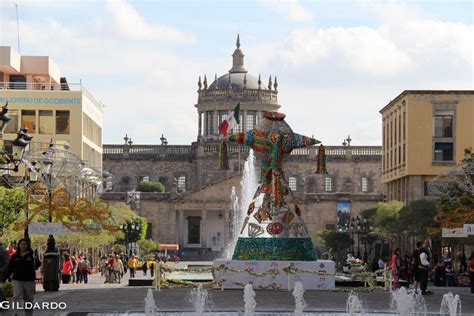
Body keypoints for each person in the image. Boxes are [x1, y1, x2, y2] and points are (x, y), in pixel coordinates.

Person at [7, 238, 41, 315]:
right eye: (21, 244)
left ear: (27, 245)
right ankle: (15, 313)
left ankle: (28, 314)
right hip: (17, 280)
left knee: (28, 299)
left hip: (29, 280)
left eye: (25, 244)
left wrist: (35, 260)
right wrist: (7, 276)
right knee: (16, 296)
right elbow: (10, 267)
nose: (23, 246)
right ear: (19, 245)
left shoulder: (32, 255)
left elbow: (38, 264)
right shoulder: (15, 255)